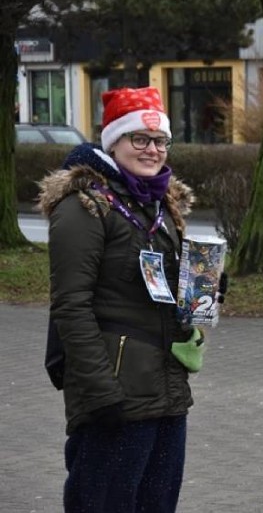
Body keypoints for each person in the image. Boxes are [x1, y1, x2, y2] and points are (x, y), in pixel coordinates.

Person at [38, 87, 201, 512]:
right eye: (140, 140)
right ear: (114, 142)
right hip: (114, 393)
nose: (152, 150)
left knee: (156, 505)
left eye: (160, 141)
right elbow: (70, 306)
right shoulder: (84, 207)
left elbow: (156, 288)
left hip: (165, 387)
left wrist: (201, 289)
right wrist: (101, 392)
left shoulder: (160, 205)